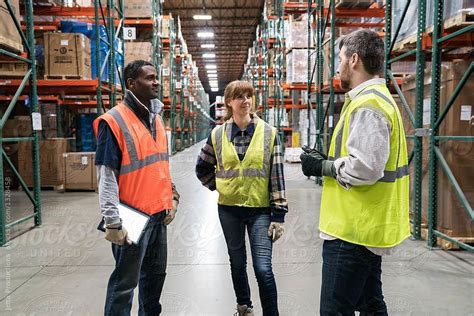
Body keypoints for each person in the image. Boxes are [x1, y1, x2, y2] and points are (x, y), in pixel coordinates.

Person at [300, 29, 410, 315]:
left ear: (354, 59)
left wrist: (323, 166)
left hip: (352, 233)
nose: (337, 66)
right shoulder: (377, 99)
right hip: (366, 227)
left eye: (340, 59)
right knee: (371, 305)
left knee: (335, 310)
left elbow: (365, 167)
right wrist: (331, 160)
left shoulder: (368, 105)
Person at [93, 60, 180, 315]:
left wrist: (172, 196)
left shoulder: (156, 118)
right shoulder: (114, 121)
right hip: (130, 216)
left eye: (156, 77)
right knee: (124, 286)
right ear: (131, 84)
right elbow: (107, 176)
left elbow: (160, 164)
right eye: (149, 78)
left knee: (154, 280)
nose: (156, 82)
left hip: (158, 214)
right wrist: (112, 221)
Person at [196, 80, 288, 316]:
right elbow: (202, 168)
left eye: (249, 96)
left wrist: (279, 214)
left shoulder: (269, 133)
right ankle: (244, 306)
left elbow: (276, 174)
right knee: (237, 263)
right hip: (229, 210)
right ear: (229, 102)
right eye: (240, 96)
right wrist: (220, 187)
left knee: (263, 268)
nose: (246, 101)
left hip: (260, 210)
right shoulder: (217, 134)